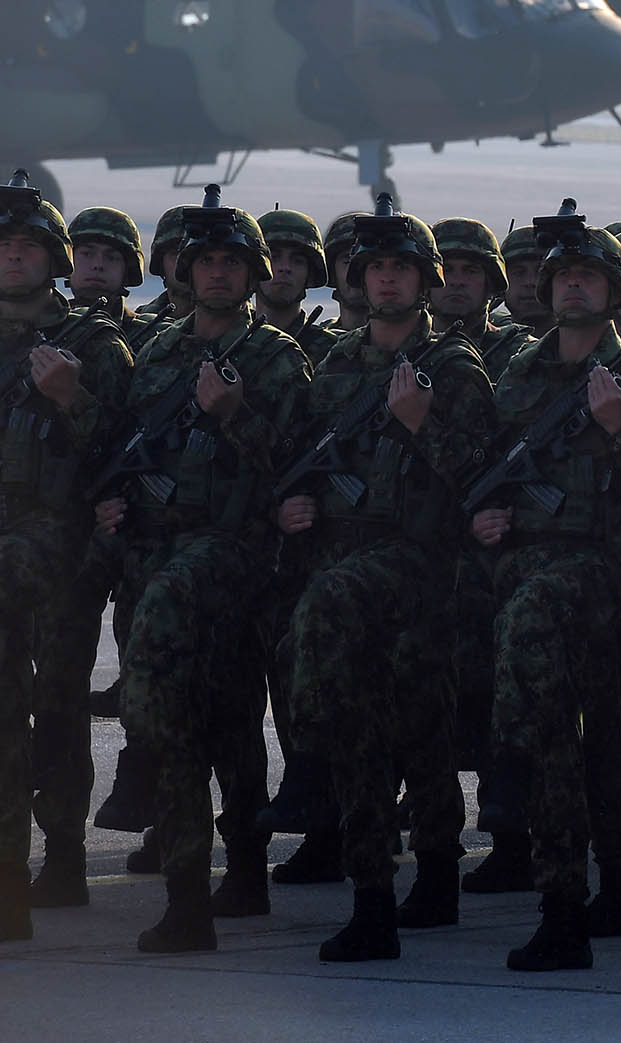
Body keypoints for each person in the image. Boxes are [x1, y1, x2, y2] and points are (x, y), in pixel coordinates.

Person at [263, 200, 496, 960]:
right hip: (343, 565)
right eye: (376, 268)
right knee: (367, 732)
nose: (388, 279)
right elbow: (305, 462)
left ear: (425, 282)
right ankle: (373, 898)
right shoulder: (334, 366)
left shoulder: (455, 368)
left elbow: (482, 479)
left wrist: (424, 419)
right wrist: (296, 508)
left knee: (421, 728)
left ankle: (434, 870)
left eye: (402, 268)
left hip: (421, 572)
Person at [469, 202, 621, 972]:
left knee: (581, 742)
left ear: (616, 289)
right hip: (528, 570)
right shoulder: (521, 374)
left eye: (589, 276)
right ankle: (603, 890)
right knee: (587, 744)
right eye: (563, 275)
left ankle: (568, 901)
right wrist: (490, 520)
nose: (572, 288)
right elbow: (489, 472)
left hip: (611, 578)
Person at [94, 187, 313, 952]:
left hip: (234, 554)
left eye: (232, 261)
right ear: (185, 271)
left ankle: (225, 877)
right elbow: (123, 450)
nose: (218, 273)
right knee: (204, 716)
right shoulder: (155, 352)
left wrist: (235, 412)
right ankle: (202, 886)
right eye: (205, 261)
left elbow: (300, 469)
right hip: (154, 554)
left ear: (254, 275)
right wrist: (113, 507)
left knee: (211, 713)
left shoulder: (278, 360)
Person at [0, 173, 133, 937]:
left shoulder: (91, 343)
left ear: (49, 257)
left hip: (62, 562)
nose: (14, 258)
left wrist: (72, 399)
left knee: (56, 710)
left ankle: (64, 855)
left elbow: (126, 454)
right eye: (4, 246)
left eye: (27, 246)